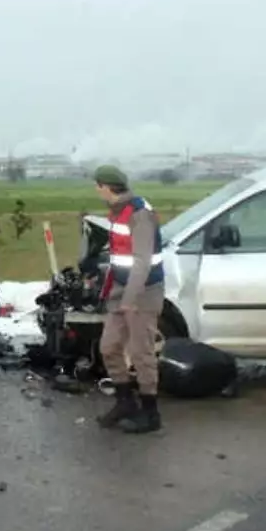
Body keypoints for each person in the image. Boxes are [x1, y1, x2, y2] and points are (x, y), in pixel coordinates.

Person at [92, 164, 165, 434]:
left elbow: (142, 261)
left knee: (141, 353)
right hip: (121, 290)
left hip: (143, 293)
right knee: (108, 347)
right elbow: (119, 256)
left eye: (97, 185)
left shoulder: (139, 214)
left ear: (105, 187)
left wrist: (131, 299)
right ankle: (125, 402)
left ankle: (150, 412)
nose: (96, 190)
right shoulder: (117, 212)